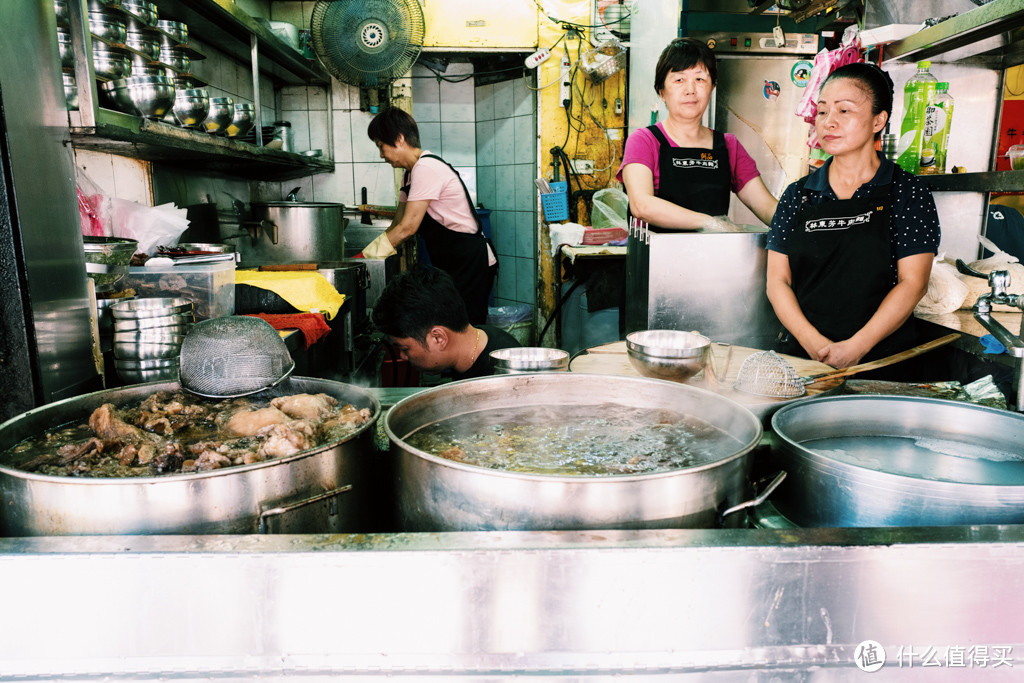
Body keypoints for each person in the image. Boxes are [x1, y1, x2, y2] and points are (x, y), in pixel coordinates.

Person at [766, 62, 940, 379]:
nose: (828, 122)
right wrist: (814, 344)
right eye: (821, 112)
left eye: (844, 111)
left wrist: (856, 347)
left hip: (883, 367)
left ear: (878, 120)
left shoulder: (907, 192)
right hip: (804, 364)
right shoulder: (798, 195)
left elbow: (913, 283)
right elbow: (777, 281)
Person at [617, 37, 778, 230]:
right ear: (661, 91)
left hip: (712, 258)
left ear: (712, 86)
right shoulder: (644, 141)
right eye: (679, 80)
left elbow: (766, 206)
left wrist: (803, 227)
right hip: (655, 258)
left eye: (700, 79)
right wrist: (710, 223)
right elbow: (642, 205)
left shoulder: (728, 146)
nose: (690, 90)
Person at [362, 107, 496, 325]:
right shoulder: (409, 173)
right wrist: (368, 256)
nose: (381, 155)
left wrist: (365, 259)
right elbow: (398, 222)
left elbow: (408, 228)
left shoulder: (426, 167)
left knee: (467, 327)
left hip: (469, 259)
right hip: (451, 259)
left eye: (381, 146)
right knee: (448, 324)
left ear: (399, 139)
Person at [371, 265, 520, 380]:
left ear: (438, 338)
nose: (403, 356)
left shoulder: (500, 376)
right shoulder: (476, 339)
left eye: (405, 348)